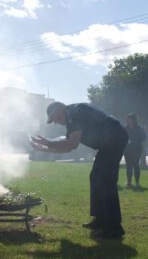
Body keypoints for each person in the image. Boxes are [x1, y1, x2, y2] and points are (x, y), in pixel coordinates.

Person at [30, 102, 128, 238]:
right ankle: (100, 219)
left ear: (62, 108)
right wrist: (43, 149)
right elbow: (69, 148)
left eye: (55, 117)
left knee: (105, 181)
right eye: (53, 120)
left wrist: (47, 143)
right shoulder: (71, 122)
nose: (56, 122)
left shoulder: (78, 111)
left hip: (115, 138)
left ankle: (114, 227)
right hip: (107, 144)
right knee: (95, 177)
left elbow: (71, 143)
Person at [124, 113, 146, 188]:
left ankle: (137, 183)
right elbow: (123, 139)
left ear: (134, 119)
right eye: (128, 119)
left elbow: (143, 140)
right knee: (128, 166)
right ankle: (129, 182)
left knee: (136, 165)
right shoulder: (126, 128)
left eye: (130, 118)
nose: (128, 120)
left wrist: (143, 149)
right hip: (127, 150)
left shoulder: (139, 128)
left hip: (137, 150)